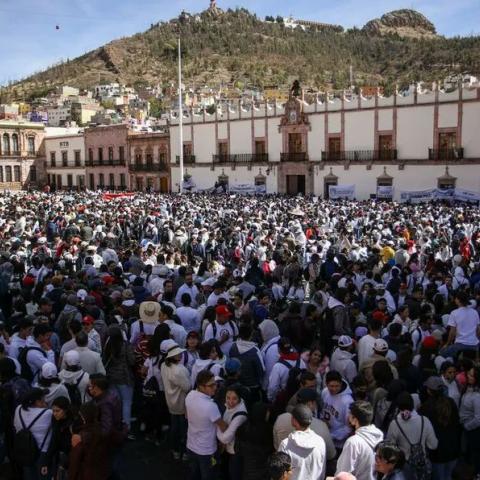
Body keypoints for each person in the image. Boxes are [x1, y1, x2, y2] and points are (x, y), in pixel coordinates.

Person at [185, 369, 227, 480]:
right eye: (211, 385)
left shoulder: (190, 395)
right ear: (201, 386)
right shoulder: (210, 406)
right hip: (207, 451)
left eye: (215, 384)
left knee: (194, 474)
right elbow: (222, 426)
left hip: (191, 445)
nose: (215, 387)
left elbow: (186, 415)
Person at [273, 388, 336, 461]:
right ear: (311, 403)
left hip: (284, 466)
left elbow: (276, 445)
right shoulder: (321, 426)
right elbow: (331, 455)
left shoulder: (281, 418)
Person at [386, 392, 438, 477]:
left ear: (398, 407)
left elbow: (390, 448)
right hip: (422, 465)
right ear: (413, 404)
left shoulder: (394, 424)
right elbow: (433, 445)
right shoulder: (424, 420)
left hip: (404, 468)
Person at [419, 376, 461, 480]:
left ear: (429, 391)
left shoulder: (426, 408)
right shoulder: (451, 402)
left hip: (437, 453)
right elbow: (457, 424)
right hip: (453, 449)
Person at [335, 401, 384, 480]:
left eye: (350, 414)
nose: (348, 416)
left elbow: (343, 472)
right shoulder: (378, 435)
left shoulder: (353, 442)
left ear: (355, 419)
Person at [13, 387, 53, 480]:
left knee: (29, 476)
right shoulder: (48, 413)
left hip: (24, 449)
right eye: (43, 398)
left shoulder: (18, 409)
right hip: (42, 453)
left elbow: (15, 426)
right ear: (37, 401)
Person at [278, 404, 326, 480]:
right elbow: (322, 470)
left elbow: (281, 474)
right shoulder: (320, 442)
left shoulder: (285, 444)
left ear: (294, 421)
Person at [160, 341, 191, 460]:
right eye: (178, 353)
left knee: (174, 427)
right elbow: (188, 387)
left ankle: (175, 450)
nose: (180, 355)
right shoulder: (179, 370)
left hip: (170, 402)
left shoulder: (164, 365)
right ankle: (183, 452)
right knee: (183, 430)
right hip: (182, 404)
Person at [102, 325, 135, 436]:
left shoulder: (107, 346)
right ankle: (126, 428)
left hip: (111, 377)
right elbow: (132, 361)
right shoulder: (126, 345)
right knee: (127, 403)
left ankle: (115, 425)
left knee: (116, 403)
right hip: (125, 377)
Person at [68, 402, 111, 480]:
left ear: (84, 417)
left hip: (87, 474)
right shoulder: (104, 429)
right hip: (103, 472)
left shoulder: (79, 437)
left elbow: (74, 462)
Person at [216, 384, 248, 480]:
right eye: (228, 397)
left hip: (235, 451)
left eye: (234, 398)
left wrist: (217, 424)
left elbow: (226, 438)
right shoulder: (230, 406)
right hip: (228, 448)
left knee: (234, 474)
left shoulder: (240, 415)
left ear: (239, 398)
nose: (230, 401)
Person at [442, 290, 480, 358]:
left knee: (442, 353)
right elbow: (478, 330)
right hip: (474, 344)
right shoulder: (475, 312)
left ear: (458, 300)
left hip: (460, 344)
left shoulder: (454, 313)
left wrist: (447, 344)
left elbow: (452, 332)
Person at [459, 365, 480, 475]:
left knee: (473, 455)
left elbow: (478, 419)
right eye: (468, 374)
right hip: (466, 427)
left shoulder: (477, 396)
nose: (468, 376)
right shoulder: (468, 388)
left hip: (473, 430)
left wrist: (467, 426)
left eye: (472, 375)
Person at [48, 396, 73, 480]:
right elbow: (54, 439)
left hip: (70, 458)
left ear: (65, 410)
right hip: (58, 457)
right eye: (53, 411)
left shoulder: (73, 423)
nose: (55, 413)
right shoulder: (55, 420)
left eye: (57, 411)